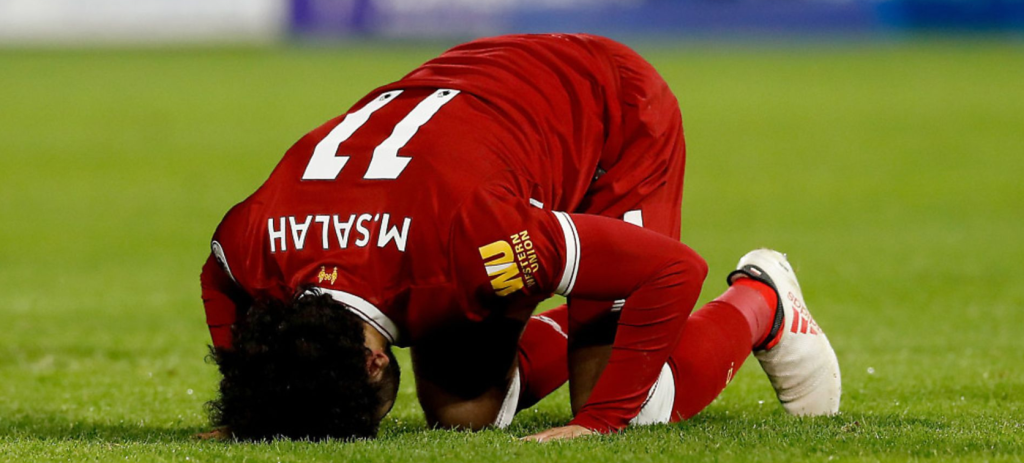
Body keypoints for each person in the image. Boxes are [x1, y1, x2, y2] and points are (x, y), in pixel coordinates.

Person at [199, 33, 841, 442]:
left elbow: (672, 270)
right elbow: (217, 273)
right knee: (464, 417)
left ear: (373, 364)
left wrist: (599, 422)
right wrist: (251, 397)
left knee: (633, 404)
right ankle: (587, 320)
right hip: (477, 95)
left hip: (609, 109)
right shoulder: (254, 244)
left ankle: (763, 301)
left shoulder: (479, 244)